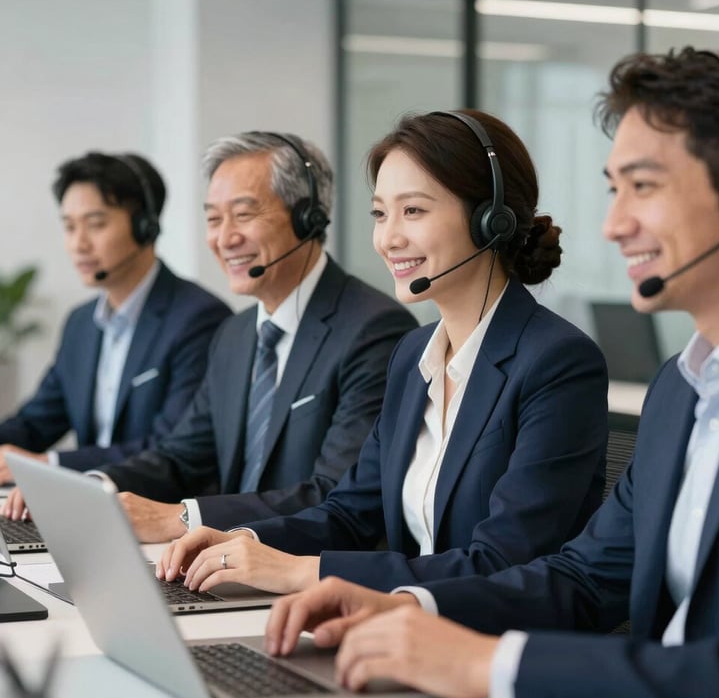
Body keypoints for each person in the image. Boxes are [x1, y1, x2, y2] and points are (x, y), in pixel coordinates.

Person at [263, 48, 719, 698]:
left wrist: (483, 666)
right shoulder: (681, 389)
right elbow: (584, 579)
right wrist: (411, 608)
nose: (613, 225)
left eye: (644, 186)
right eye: (614, 191)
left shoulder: (563, 361)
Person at [157, 109, 608, 595]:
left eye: (412, 211)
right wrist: (238, 542)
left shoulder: (557, 363)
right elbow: (351, 513)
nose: (388, 238)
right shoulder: (415, 354)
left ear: (490, 219)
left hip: (489, 647)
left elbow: (503, 561)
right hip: (396, 628)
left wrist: (302, 572)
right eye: (379, 213)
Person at [0, 131, 418, 540]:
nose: (224, 238)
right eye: (214, 219)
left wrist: (185, 517)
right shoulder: (235, 335)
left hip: (305, 573)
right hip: (219, 564)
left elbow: (335, 495)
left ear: (308, 216)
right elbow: (180, 457)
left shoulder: (373, 330)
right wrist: (89, 490)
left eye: (244, 214)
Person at [0, 151, 231, 486]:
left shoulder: (200, 319)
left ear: (145, 226)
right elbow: (35, 423)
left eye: (96, 224)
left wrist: (49, 463)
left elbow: (169, 449)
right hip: (89, 507)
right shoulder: (80, 324)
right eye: (69, 226)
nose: (78, 244)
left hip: (158, 513)